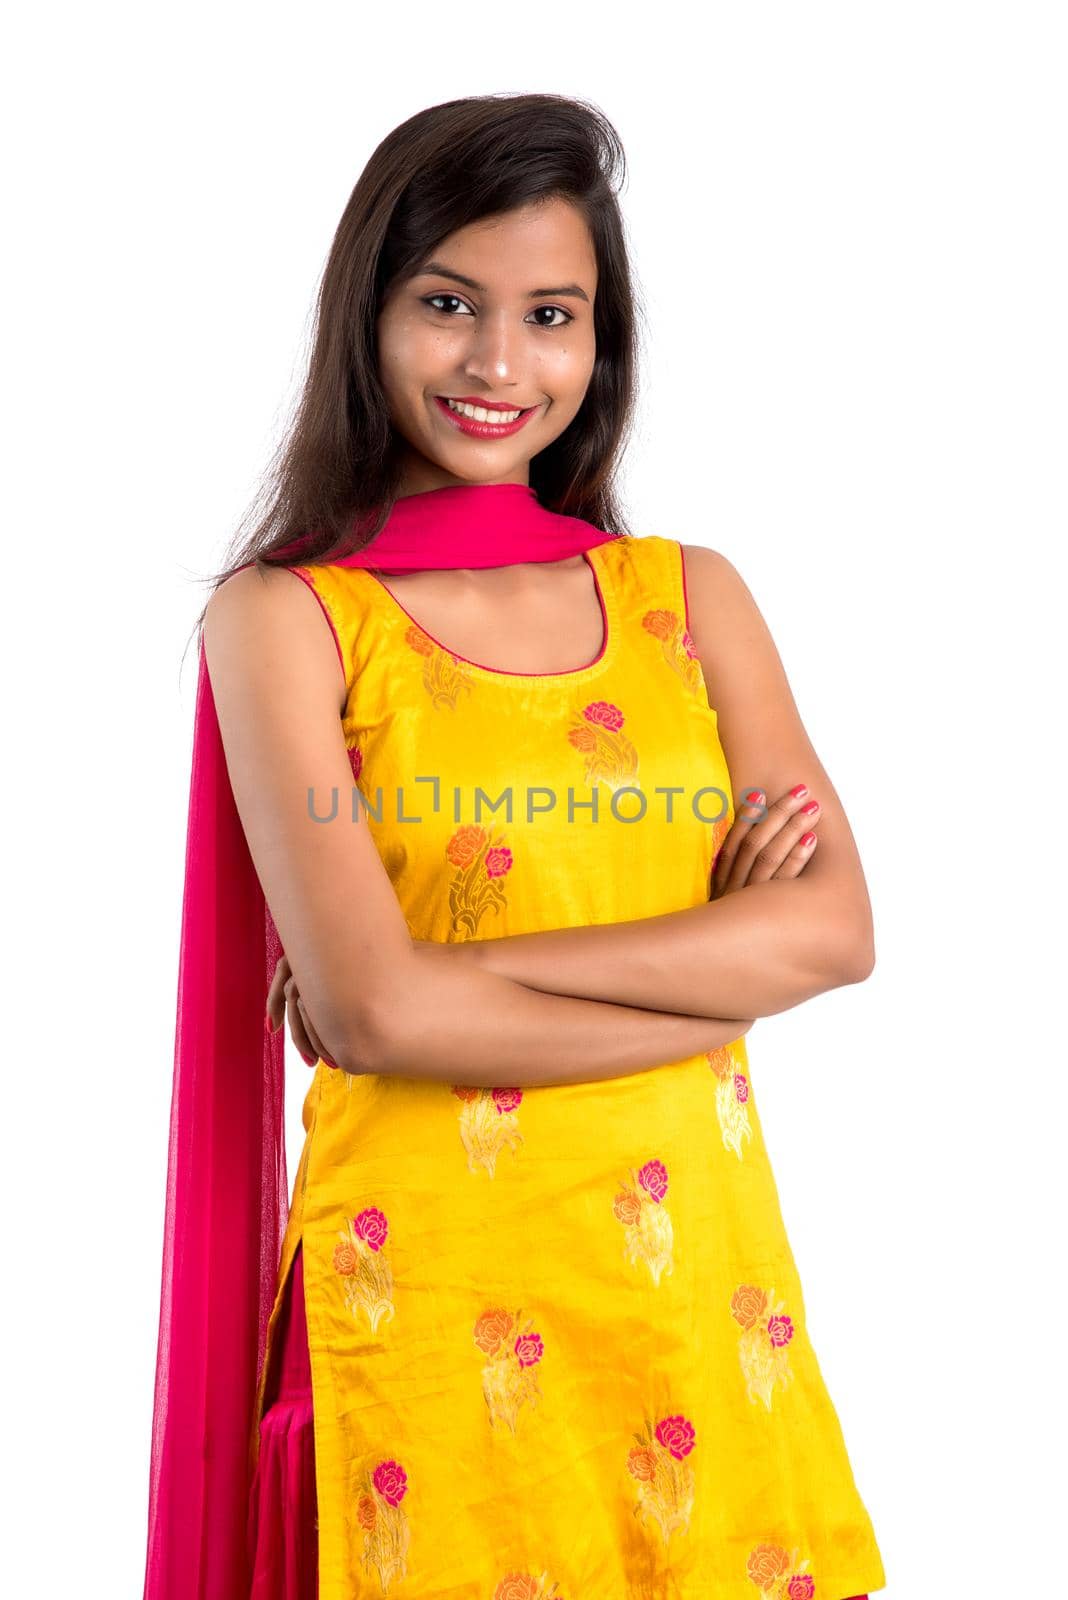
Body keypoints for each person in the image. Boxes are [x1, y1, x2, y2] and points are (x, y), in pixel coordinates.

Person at [143, 92, 886, 1600]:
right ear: (369, 315)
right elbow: (369, 1016)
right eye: (447, 306)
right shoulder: (288, 620)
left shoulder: (695, 599)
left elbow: (835, 933)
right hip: (430, 1313)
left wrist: (470, 970)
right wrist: (717, 994)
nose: (500, 364)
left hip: (695, 1310)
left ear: (602, 340)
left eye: (552, 314)